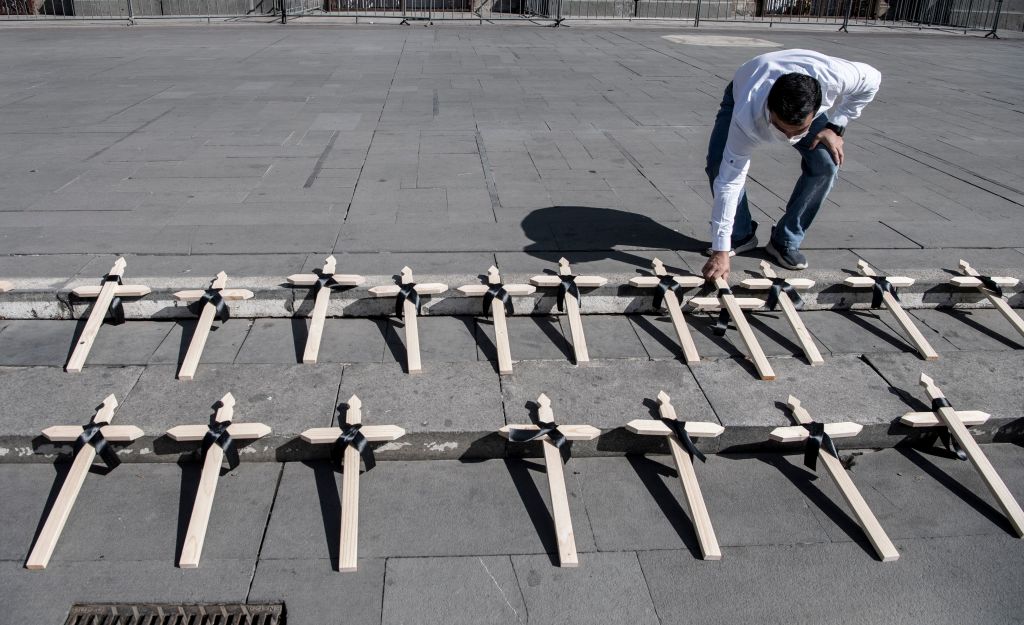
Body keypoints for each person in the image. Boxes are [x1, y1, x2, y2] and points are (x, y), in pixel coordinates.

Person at [702, 49, 881, 281]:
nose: (788, 138)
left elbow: (873, 79)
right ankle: (740, 234)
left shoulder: (836, 76)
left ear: (816, 110)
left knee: (826, 164)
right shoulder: (747, 115)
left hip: (804, 97)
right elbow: (729, 182)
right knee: (719, 164)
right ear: (770, 109)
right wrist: (720, 249)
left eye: (797, 131)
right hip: (743, 89)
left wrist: (836, 125)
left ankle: (785, 240)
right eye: (780, 128)